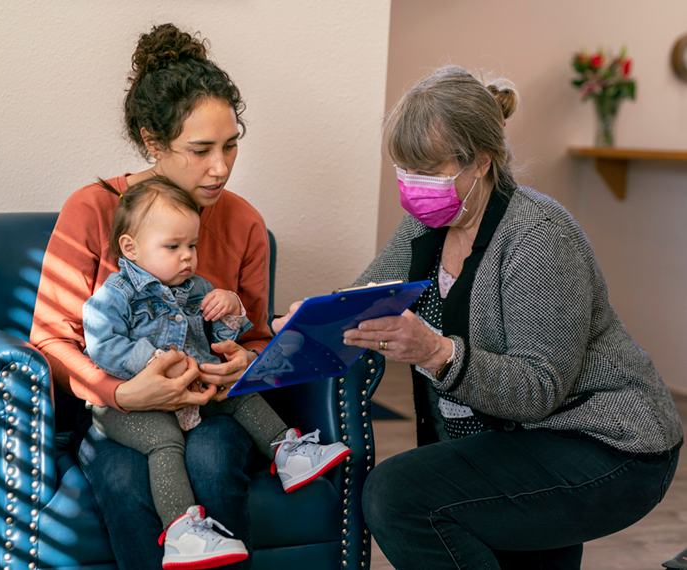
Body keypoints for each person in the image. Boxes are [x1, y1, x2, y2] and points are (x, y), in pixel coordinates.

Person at [274, 65, 683, 569]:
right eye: (405, 169)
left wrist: (436, 352)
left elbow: (538, 390)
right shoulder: (427, 225)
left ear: (482, 162)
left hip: (608, 444)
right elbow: (363, 299)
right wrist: (309, 320)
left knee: (397, 497)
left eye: (429, 169)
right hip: (519, 442)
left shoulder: (539, 236)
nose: (413, 185)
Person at [31, 23, 269, 569]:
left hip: (212, 411)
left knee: (210, 460)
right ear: (153, 142)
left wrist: (243, 363)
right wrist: (121, 394)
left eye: (231, 146)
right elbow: (49, 339)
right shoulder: (93, 211)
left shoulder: (243, 221)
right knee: (123, 474)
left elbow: (255, 335)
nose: (221, 167)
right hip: (119, 415)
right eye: (201, 149)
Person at [82, 177, 349, 569]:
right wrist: (155, 361)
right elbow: (103, 346)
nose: (188, 256)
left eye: (191, 245)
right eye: (173, 247)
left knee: (238, 396)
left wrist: (231, 307)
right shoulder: (116, 294)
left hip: (195, 392)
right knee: (165, 443)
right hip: (134, 409)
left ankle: (287, 451)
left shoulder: (195, 287)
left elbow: (226, 335)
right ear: (131, 248)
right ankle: (182, 529)